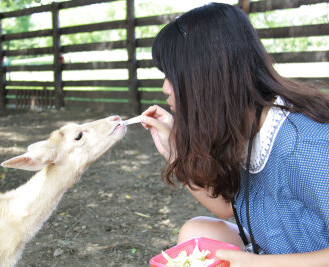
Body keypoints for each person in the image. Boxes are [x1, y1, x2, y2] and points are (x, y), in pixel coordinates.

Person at [139, 2, 329, 266]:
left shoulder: (304, 143)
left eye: (172, 76)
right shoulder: (243, 124)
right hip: (276, 250)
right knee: (195, 233)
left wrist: (256, 264)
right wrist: (175, 152)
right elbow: (229, 207)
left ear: (206, 78)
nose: (165, 88)